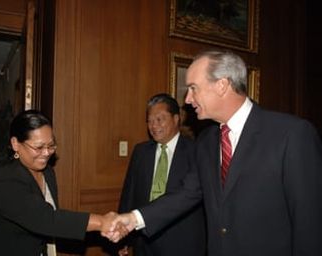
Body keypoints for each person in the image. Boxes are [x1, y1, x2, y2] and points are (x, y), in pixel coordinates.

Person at [110, 50, 322, 256]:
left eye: (193, 88)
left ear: (222, 85)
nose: (187, 99)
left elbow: (310, 224)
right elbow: (186, 194)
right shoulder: (206, 142)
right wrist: (134, 219)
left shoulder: (291, 134)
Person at [0, 110, 125, 256]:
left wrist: (109, 238)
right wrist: (101, 222)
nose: (46, 153)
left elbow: (53, 223)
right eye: (38, 147)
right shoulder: (5, 180)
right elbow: (46, 219)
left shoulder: (47, 172)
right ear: (15, 144)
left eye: (51, 145)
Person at [117, 93, 206, 255]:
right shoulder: (141, 152)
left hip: (183, 243)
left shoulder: (196, 151)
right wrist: (123, 237)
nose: (154, 125)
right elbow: (129, 195)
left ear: (176, 118)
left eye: (160, 119)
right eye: (150, 121)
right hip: (144, 241)